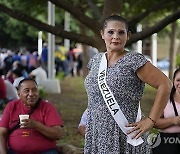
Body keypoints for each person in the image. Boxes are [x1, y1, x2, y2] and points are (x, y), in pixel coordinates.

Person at [84, 14, 172, 154]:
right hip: (98, 133)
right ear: (102, 34)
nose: (116, 36)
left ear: (128, 35)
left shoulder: (134, 60)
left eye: (121, 32)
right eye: (111, 32)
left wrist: (151, 120)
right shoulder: (96, 60)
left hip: (126, 134)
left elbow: (165, 84)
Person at [0, 78, 63, 154]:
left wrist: (36, 125)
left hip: (45, 151)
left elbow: (58, 134)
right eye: (27, 90)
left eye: (34, 90)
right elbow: (2, 133)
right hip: (15, 151)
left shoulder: (47, 107)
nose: (31, 94)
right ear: (19, 94)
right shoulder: (11, 107)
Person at [152, 67, 180, 154]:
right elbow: (153, 122)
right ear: (173, 81)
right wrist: (173, 120)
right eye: (178, 80)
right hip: (166, 144)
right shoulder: (164, 99)